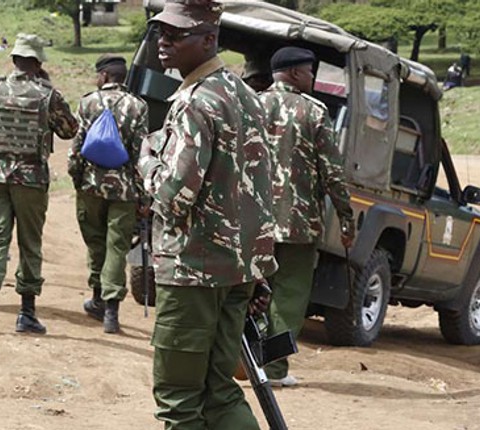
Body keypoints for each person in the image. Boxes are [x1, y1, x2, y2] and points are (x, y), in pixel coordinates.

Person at [138, 0, 278, 428]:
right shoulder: (246, 97)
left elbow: (173, 196)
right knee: (220, 393)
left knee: (179, 402)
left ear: (209, 39)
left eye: (177, 35)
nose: (164, 43)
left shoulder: (194, 102)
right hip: (236, 271)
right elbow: (263, 189)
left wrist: (146, 159)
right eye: (161, 33)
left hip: (192, 273)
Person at [0, 33, 78, 334]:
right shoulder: (47, 95)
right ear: (38, 64)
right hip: (30, 179)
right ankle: (26, 313)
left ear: (13, 60)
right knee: (30, 243)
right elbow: (69, 130)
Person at [258, 46, 355, 387]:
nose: (313, 78)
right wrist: (346, 219)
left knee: (246, 292)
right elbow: (332, 173)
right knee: (289, 297)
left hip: (251, 223)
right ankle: (273, 370)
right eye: (311, 72)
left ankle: (239, 363)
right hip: (298, 224)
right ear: (296, 73)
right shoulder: (313, 112)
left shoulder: (250, 106)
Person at [68, 54, 149, 334]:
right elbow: (141, 154)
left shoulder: (87, 102)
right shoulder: (138, 106)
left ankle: (97, 297)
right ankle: (111, 313)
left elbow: (77, 147)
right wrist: (142, 197)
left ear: (103, 76)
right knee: (117, 246)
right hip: (124, 189)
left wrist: (77, 178)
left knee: (96, 242)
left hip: (91, 185)